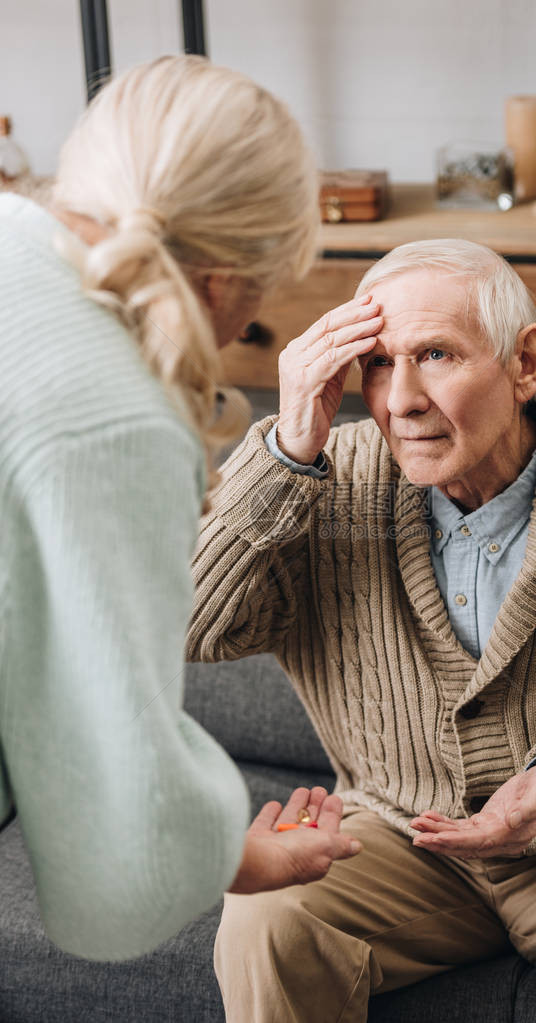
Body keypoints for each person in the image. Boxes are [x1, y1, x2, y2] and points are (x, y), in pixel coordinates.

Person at [187, 238, 536, 1023]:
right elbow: (190, 627)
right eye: (378, 363)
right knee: (267, 919)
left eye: (436, 354)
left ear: (524, 362)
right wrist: (286, 449)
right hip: (392, 834)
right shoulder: (314, 478)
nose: (401, 399)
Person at [0, 55, 361, 964]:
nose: (244, 332)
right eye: (264, 294)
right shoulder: (113, 418)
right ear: (227, 276)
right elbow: (118, 811)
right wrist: (235, 856)